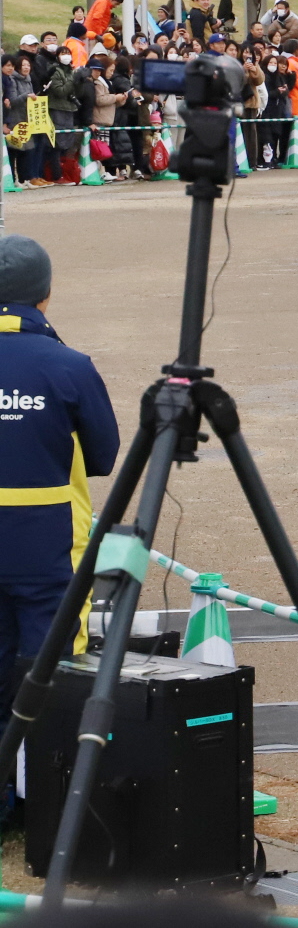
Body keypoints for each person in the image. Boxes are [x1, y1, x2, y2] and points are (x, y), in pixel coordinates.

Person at [0, 235, 120, 714]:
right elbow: (104, 457)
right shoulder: (68, 365)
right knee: (49, 677)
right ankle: (41, 787)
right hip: (47, 548)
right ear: (44, 296)